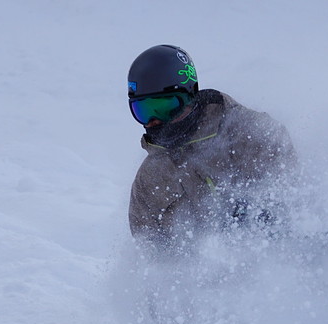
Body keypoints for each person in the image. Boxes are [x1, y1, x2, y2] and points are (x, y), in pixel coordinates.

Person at [127, 44, 298, 251]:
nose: (154, 121)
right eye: (143, 111)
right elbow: (147, 254)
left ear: (189, 96)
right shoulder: (149, 180)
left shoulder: (244, 130)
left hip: (274, 256)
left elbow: (290, 180)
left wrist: (263, 212)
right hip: (204, 278)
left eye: (164, 108)